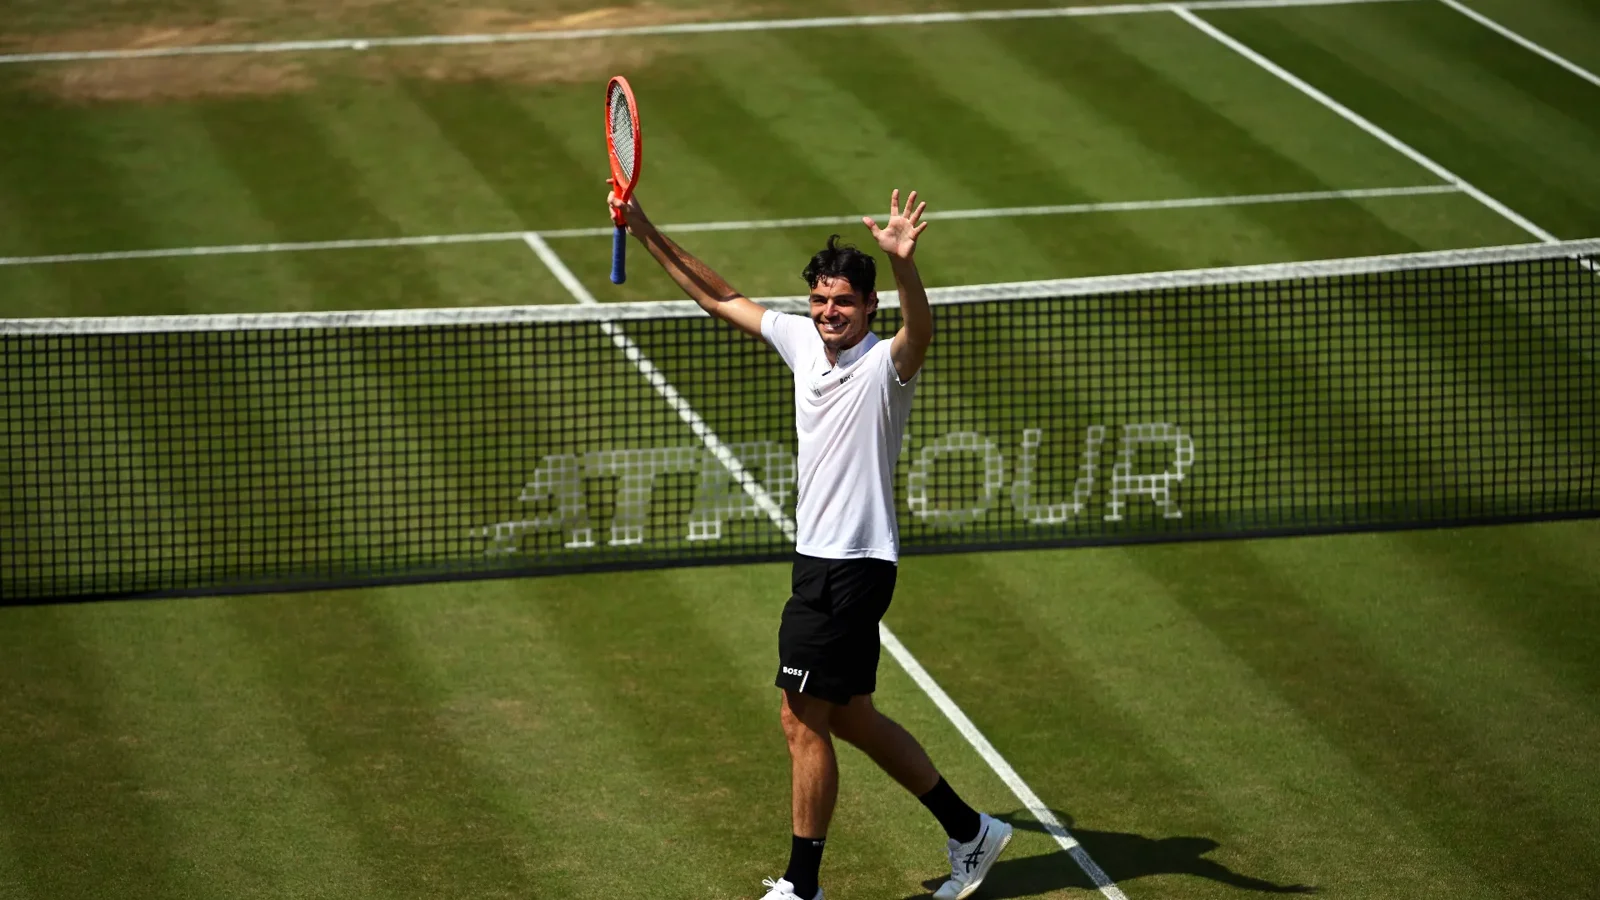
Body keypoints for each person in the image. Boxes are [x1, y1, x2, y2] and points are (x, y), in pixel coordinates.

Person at [608, 186, 1012, 900]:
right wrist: (644, 229)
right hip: (818, 561)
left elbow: (920, 330)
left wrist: (904, 262)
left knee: (799, 719)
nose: (829, 312)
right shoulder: (801, 341)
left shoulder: (888, 367)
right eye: (821, 300)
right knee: (850, 716)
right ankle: (971, 830)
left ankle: (801, 886)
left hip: (854, 566)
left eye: (844, 302)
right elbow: (719, 296)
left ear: (870, 307)